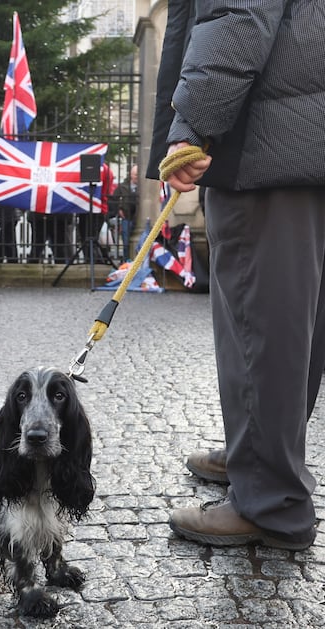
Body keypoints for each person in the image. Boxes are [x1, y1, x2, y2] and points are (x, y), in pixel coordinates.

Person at [148, 0, 322, 551]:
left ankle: (269, 501)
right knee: (296, 330)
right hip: (302, 138)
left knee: (260, 326)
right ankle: (258, 460)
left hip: (265, 144)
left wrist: (192, 126)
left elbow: (238, 16)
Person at [110, 164, 138, 259]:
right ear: (131, 174)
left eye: (138, 174)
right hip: (127, 217)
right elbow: (113, 199)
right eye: (135, 174)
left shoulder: (144, 188)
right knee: (126, 242)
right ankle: (126, 260)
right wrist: (119, 210)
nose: (136, 177)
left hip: (140, 217)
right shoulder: (122, 187)